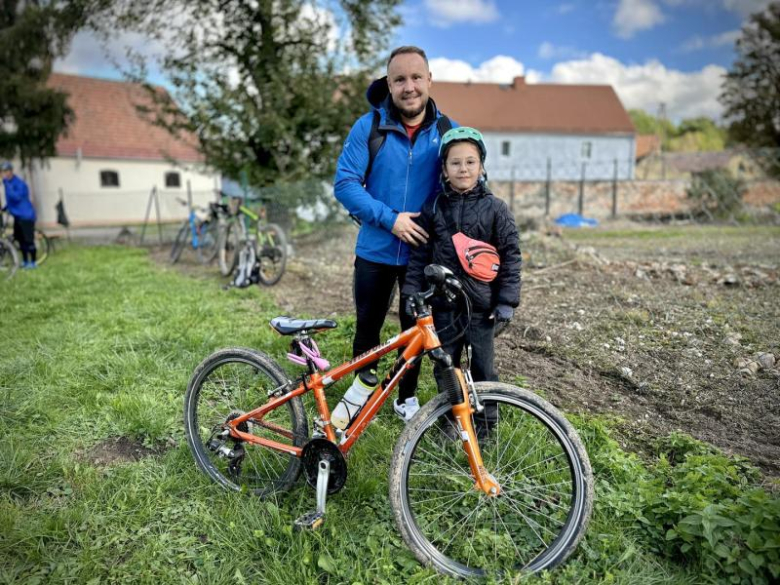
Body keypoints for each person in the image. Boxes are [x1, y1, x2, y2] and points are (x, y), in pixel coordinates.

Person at [334, 46, 457, 423]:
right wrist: (391, 220)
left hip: (422, 254)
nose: (409, 87)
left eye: (416, 77)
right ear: (389, 84)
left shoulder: (445, 131)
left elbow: (462, 181)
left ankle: (405, 399)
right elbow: (345, 184)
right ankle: (360, 396)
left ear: (429, 80)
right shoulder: (367, 127)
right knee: (367, 325)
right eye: (400, 79)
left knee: (415, 328)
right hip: (375, 248)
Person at [400, 127, 521, 433]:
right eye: (455, 163)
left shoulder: (496, 209)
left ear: (481, 166)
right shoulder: (435, 207)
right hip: (443, 305)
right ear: (444, 168)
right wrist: (412, 292)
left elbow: (511, 256)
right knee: (446, 367)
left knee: (484, 369)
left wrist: (506, 301)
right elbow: (420, 254)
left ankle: (486, 426)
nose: (463, 169)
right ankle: (450, 422)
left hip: (482, 307)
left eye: (470, 162)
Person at [1, 161, 37, 269]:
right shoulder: (9, 184)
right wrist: (5, 208)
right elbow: (11, 201)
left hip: (26, 215)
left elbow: (17, 197)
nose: (3, 174)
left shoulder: (19, 183)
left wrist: (6, 184)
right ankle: (25, 261)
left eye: (5, 171)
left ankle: (33, 262)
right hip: (17, 216)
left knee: (28, 240)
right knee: (20, 240)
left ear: (11, 171)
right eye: (2, 172)